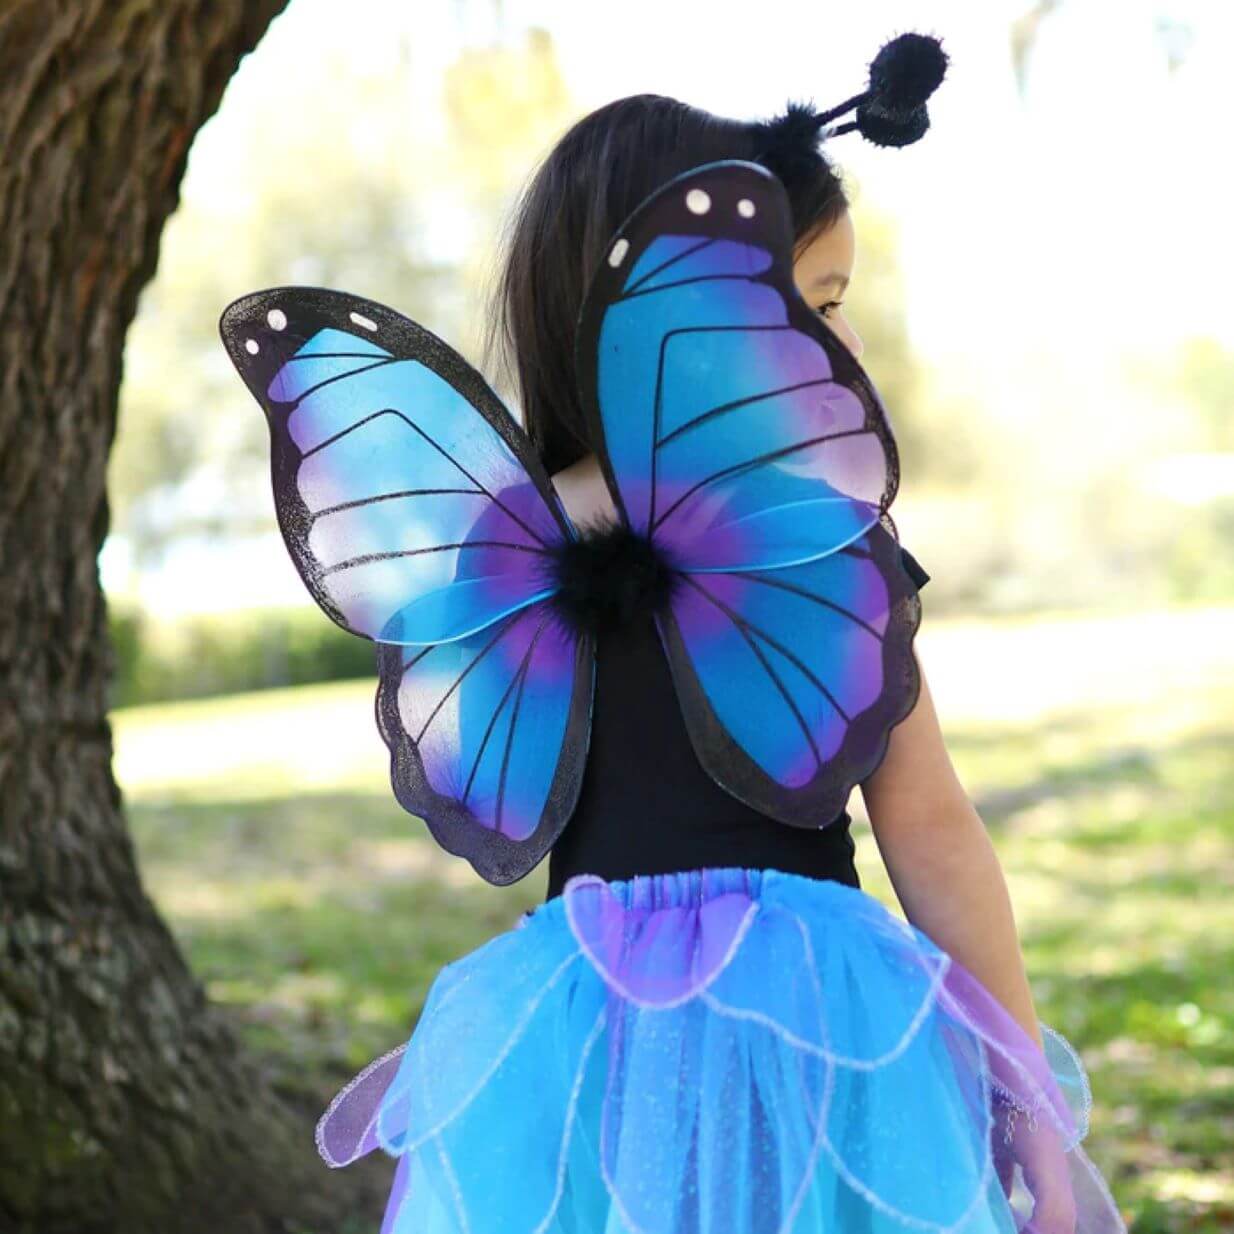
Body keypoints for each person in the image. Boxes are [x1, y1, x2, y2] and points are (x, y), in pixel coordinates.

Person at [222, 30, 1128, 1234]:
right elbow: (930, 829)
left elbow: (930, 827)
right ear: (669, 315)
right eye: (808, 309)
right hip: (710, 1032)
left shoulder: (693, 550)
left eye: (837, 308)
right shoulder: (671, 556)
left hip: (705, 1028)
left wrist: (1028, 1115)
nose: (841, 349)